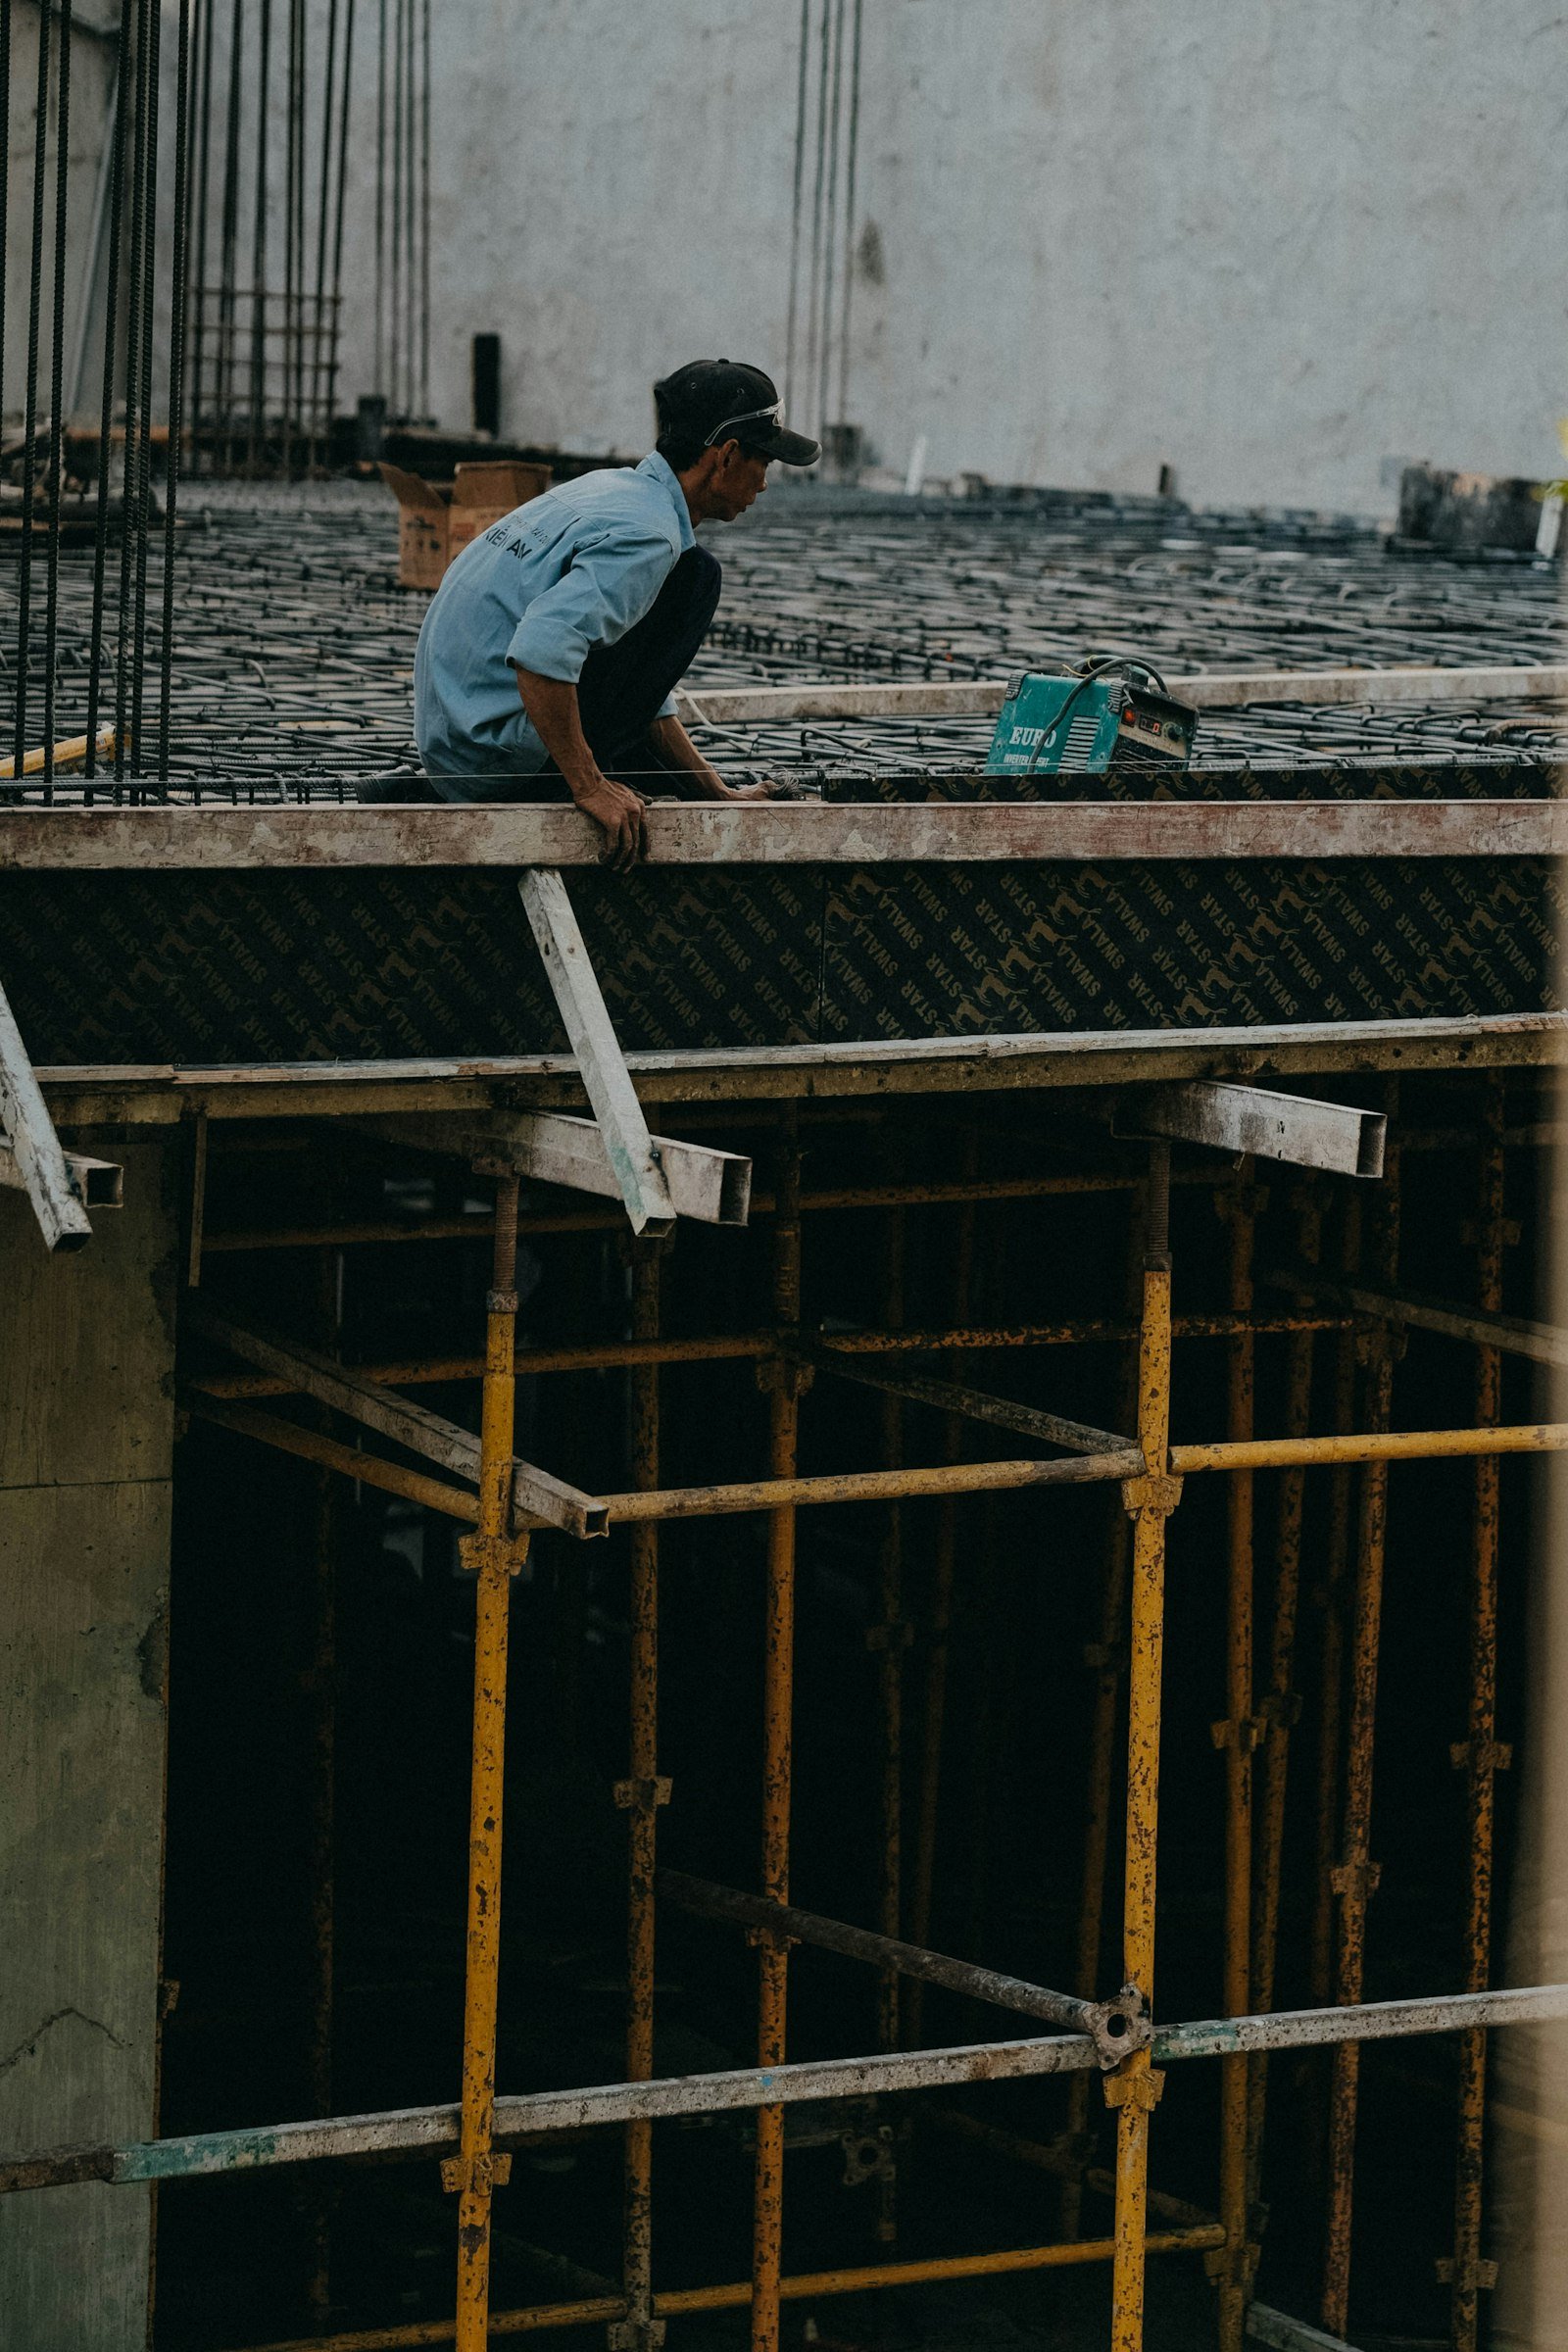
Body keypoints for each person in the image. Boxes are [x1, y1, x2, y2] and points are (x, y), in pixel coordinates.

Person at [410, 360, 820, 867]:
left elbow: (639, 681)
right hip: (493, 761)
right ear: (728, 457)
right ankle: (582, 773)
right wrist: (590, 787)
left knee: (682, 578)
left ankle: (604, 768)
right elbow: (540, 650)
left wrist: (715, 792)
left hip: (454, 748)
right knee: (697, 578)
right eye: (765, 464)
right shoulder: (650, 535)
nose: (763, 484)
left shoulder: (613, 489)